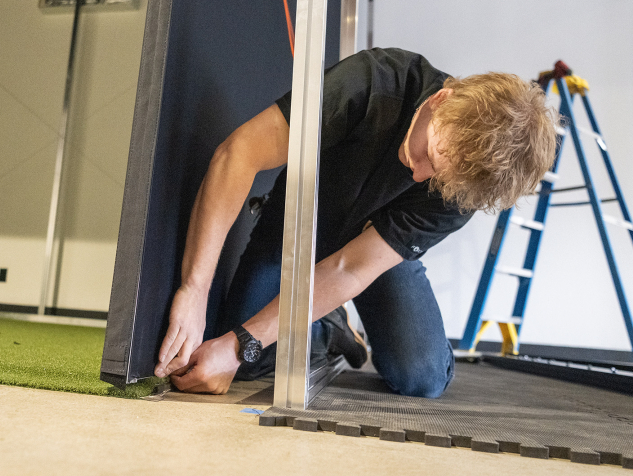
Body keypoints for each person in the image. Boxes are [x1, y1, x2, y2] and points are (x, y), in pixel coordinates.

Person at [152, 47, 557, 397]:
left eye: (437, 178)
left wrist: (240, 344)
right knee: (245, 358)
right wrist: (195, 288)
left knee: (422, 378)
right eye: (430, 154)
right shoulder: (373, 83)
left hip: (375, 251)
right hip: (300, 226)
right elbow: (239, 153)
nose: (418, 174)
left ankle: (318, 321)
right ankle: (329, 329)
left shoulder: (466, 188)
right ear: (441, 100)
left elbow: (350, 269)